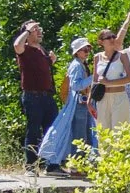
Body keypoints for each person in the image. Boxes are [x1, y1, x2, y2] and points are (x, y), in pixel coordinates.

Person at [37, 37, 96, 173]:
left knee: (85, 135)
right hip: (78, 105)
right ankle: (76, 167)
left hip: (83, 104)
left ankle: (78, 164)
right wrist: (93, 78)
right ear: (77, 52)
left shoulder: (81, 64)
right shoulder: (76, 65)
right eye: (84, 49)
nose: (87, 52)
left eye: (88, 49)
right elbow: (76, 85)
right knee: (80, 137)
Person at [93, 10, 130, 139]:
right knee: (107, 129)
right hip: (109, 93)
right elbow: (118, 39)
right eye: (110, 38)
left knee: (126, 126)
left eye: (114, 37)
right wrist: (128, 20)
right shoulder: (107, 54)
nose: (114, 40)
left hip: (128, 89)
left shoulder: (128, 53)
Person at [12, 22, 57, 170]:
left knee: (51, 131)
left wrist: (52, 61)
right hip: (33, 96)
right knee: (34, 130)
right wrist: (26, 31)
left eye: (39, 28)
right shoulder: (25, 49)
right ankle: (31, 165)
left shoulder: (41, 50)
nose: (38, 32)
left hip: (47, 96)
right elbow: (17, 46)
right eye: (35, 30)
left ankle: (51, 165)